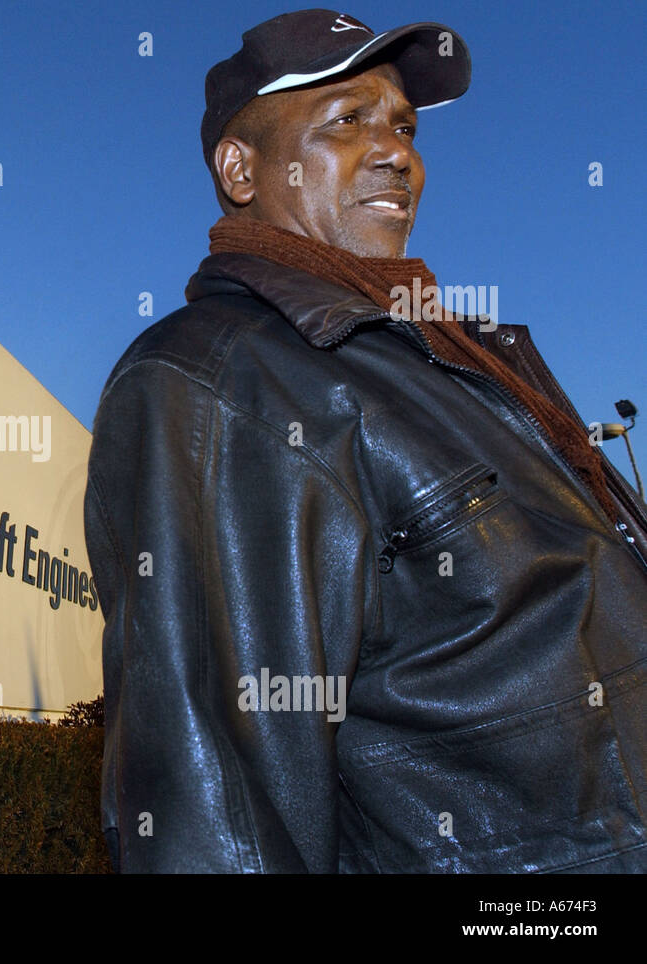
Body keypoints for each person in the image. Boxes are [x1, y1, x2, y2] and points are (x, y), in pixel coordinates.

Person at [84, 8, 647, 873]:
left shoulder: (443, 364)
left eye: (404, 126)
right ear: (241, 169)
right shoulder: (217, 380)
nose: (398, 154)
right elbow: (218, 814)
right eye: (346, 121)